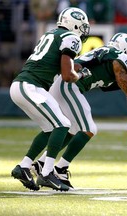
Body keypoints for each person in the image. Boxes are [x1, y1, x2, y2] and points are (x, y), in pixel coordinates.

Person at [30, 33, 127, 189]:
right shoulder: (119, 57)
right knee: (89, 128)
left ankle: (41, 163)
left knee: (72, 128)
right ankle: (59, 169)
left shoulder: (107, 57)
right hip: (69, 86)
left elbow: (124, 87)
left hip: (62, 84)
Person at [10, 7, 91, 191]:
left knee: (50, 128)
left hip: (22, 85)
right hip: (30, 86)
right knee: (63, 124)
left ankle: (23, 166)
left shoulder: (53, 34)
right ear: (75, 24)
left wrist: (75, 68)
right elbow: (67, 75)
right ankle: (46, 173)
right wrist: (81, 75)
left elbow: (61, 64)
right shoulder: (71, 38)